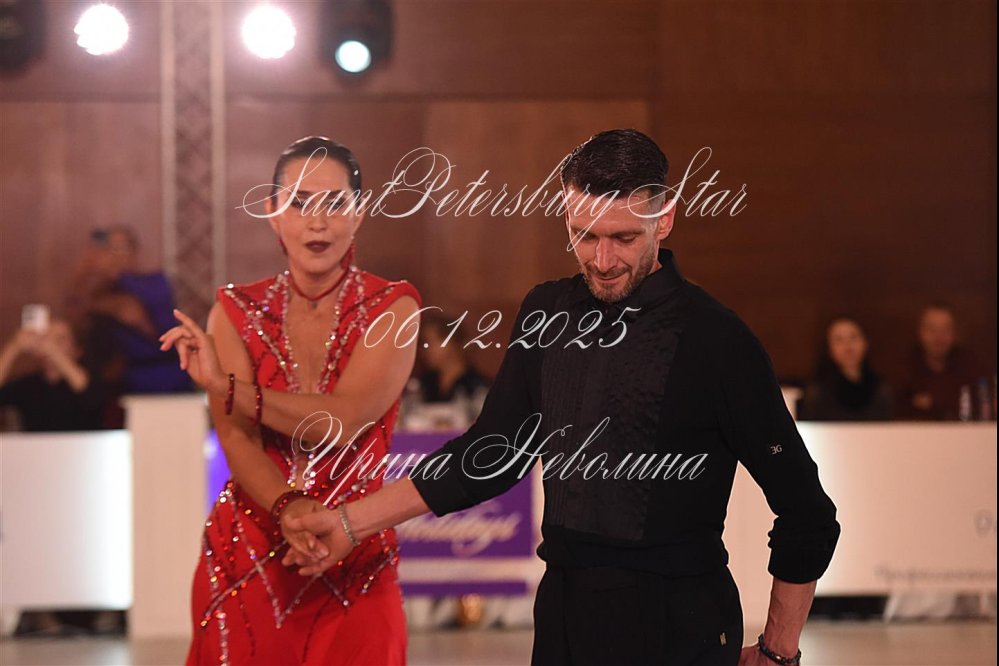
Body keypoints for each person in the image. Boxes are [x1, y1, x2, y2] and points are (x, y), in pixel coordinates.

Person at [283, 129, 841, 666]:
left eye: (624, 238)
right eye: (584, 235)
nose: (602, 260)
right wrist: (349, 524)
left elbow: (806, 511)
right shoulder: (546, 313)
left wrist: (779, 650)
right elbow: (486, 457)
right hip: (563, 621)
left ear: (664, 219)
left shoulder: (717, 339)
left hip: (679, 625)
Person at [159, 136, 420, 665]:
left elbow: (341, 420)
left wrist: (227, 387)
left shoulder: (393, 308)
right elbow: (236, 437)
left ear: (359, 214)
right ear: (273, 214)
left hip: (355, 545)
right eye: (299, 203)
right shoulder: (232, 310)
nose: (317, 222)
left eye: (335, 203)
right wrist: (287, 506)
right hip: (249, 550)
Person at [68, 225, 192, 394]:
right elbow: (77, 313)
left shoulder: (153, 283)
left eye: (121, 248)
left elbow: (130, 311)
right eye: (109, 248)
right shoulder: (104, 287)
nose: (115, 255)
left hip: (163, 374)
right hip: (130, 379)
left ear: (134, 252)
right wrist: (84, 273)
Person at [0, 317, 119, 431]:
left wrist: (54, 352)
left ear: (77, 349)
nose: (50, 343)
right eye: (46, 337)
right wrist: (15, 346)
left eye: (60, 339)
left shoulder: (93, 379)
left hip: (85, 444)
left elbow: (91, 395)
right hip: (37, 445)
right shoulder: (27, 385)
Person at [898, 303, 983, 420]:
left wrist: (931, 404)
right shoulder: (905, 368)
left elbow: (974, 407)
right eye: (932, 329)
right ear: (920, 332)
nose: (938, 337)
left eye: (945, 330)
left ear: (955, 333)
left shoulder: (969, 366)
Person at [798, 316, 892, 421]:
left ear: (866, 343)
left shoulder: (880, 389)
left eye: (853, 338)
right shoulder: (816, 393)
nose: (848, 346)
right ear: (828, 348)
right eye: (839, 340)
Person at [416, 313, 491, 403]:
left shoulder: (478, 387)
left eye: (429, 342)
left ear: (452, 343)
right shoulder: (423, 385)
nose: (424, 349)